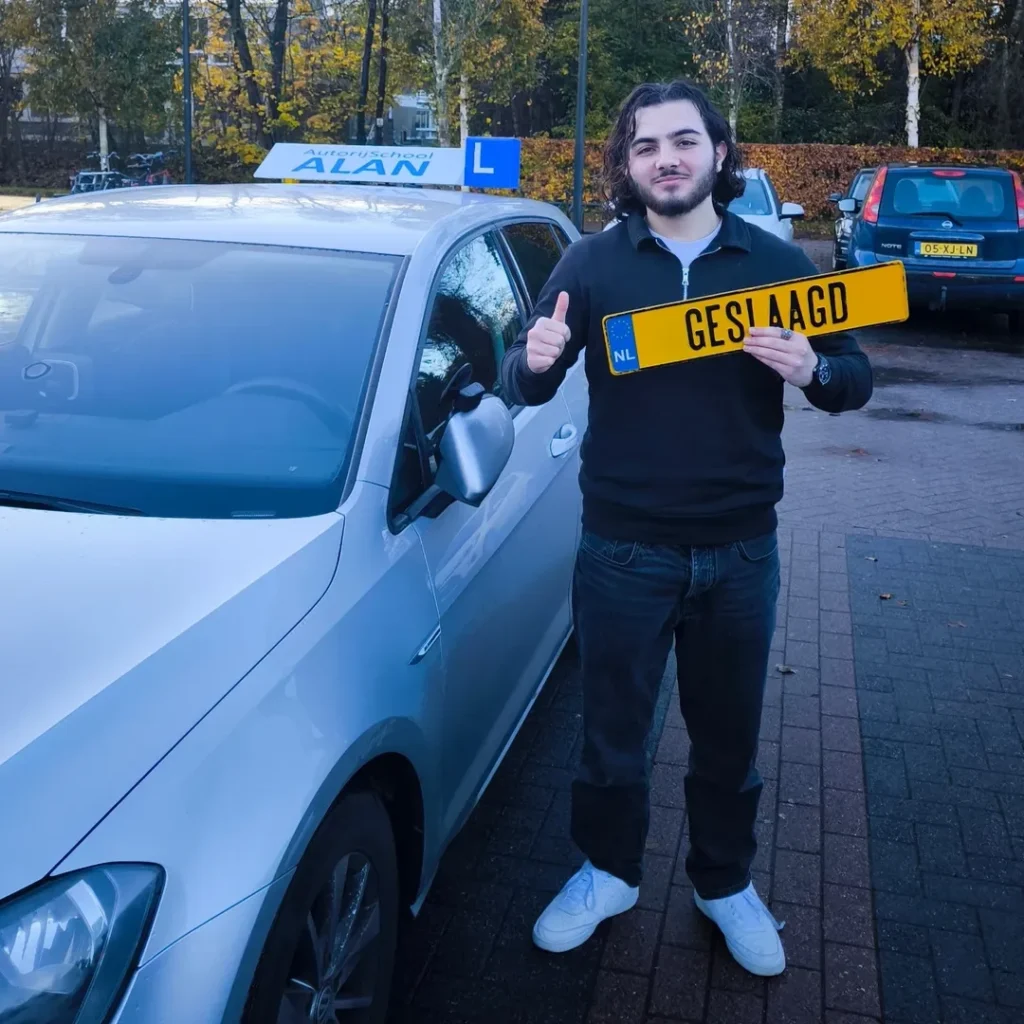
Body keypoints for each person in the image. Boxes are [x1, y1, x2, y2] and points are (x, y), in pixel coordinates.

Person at [499, 80, 872, 977]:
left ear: (718, 152)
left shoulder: (780, 264)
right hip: (621, 550)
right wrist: (533, 360)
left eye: (683, 141)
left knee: (730, 740)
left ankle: (723, 881)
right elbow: (526, 374)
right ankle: (608, 873)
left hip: (741, 551)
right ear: (627, 167)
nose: (666, 158)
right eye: (645, 146)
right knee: (609, 738)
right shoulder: (590, 264)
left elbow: (855, 378)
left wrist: (816, 368)